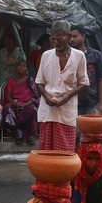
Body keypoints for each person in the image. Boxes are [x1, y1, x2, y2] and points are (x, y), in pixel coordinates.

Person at [35, 20, 89, 150]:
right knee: (46, 152)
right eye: (53, 39)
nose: (56, 42)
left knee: (66, 152)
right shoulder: (46, 55)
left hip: (67, 110)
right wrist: (47, 96)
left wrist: (68, 95)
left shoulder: (79, 56)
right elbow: (39, 82)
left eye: (60, 39)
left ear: (69, 37)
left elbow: (84, 82)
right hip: (47, 111)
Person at [70, 25, 102, 116]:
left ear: (83, 36)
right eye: (69, 37)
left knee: (91, 128)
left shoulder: (96, 55)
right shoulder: (67, 56)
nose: (72, 39)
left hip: (92, 101)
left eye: (75, 36)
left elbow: (101, 80)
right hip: (72, 101)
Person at [2, 60, 39, 145]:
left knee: (33, 110)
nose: (21, 67)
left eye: (24, 66)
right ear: (16, 68)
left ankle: (28, 136)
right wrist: (15, 103)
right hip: (15, 103)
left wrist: (25, 104)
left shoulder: (30, 80)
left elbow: (36, 95)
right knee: (7, 108)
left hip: (28, 103)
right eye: (20, 65)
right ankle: (17, 134)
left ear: (26, 69)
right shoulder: (11, 80)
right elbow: (8, 96)